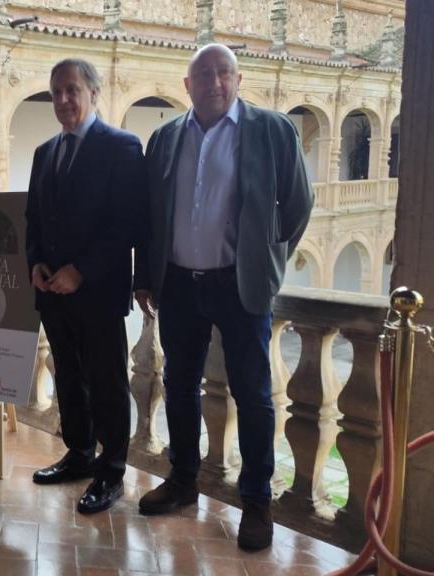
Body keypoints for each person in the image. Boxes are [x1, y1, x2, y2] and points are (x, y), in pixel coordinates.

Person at [133, 44, 313, 550]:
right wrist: (145, 275)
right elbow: (151, 215)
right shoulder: (166, 138)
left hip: (239, 285)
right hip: (180, 282)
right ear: (186, 86)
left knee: (254, 398)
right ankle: (183, 480)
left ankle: (256, 502)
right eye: (204, 75)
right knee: (179, 383)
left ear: (237, 79)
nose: (215, 82)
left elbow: (298, 204)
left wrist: (266, 258)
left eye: (223, 73)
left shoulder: (272, 129)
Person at [25, 59, 145, 515]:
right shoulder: (44, 152)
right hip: (53, 292)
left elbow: (128, 225)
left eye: (72, 90)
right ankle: (79, 454)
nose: (62, 100)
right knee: (69, 377)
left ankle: (111, 471)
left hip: (96, 292)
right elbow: (34, 218)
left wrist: (83, 270)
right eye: (56, 92)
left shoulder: (121, 147)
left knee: (107, 382)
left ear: (94, 93)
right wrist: (36, 261)